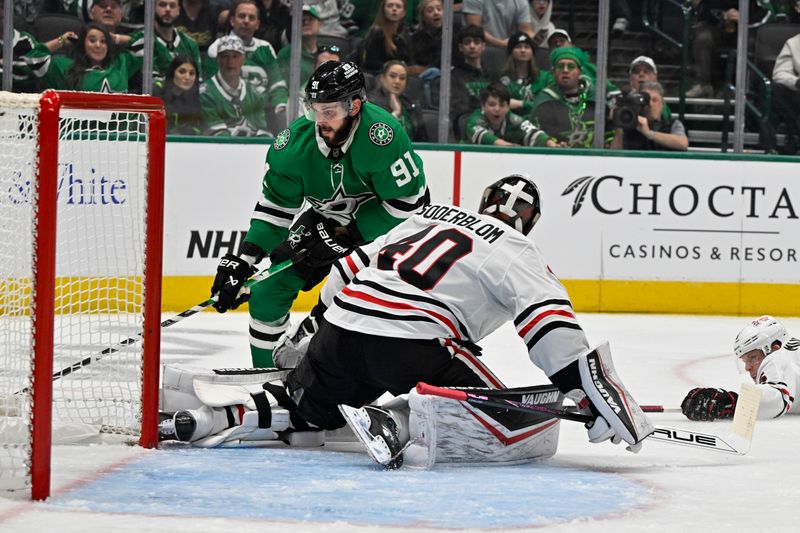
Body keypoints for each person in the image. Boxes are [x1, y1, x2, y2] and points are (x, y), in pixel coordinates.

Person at [163, 174, 653, 468]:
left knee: (312, 413)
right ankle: (398, 419)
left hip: (344, 328)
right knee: (521, 425)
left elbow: (345, 271)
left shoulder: (431, 215)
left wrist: (312, 332)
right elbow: (549, 326)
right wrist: (588, 391)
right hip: (415, 344)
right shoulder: (518, 248)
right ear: (532, 221)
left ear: (484, 201)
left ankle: (211, 416)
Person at [208, 60, 429, 367]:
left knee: (359, 309)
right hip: (330, 223)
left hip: (388, 232)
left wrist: (348, 235)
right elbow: (276, 208)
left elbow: (410, 205)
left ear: (354, 106)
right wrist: (244, 259)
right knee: (268, 291)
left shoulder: (382, 136)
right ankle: (268, 374)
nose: (320, 120)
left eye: (330, 111)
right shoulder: (292, 147)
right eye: (314, 109)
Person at [681, 315, 800, 421]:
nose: (748, 368)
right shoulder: (792, 354)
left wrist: (733, 403)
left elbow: (777, 400)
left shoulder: (778, 356)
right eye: (745, 361)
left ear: (774, 348)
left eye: (753, 358)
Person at [205, 0, 288, 126]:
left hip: (264, 114)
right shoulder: (217, 48)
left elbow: (277, 83)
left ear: (257, 24)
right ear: (232, 21)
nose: (246, 21)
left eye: (251, 17)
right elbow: (213, 89)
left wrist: (280, 105)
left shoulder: (265, 48)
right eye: (242, 16)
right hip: (229, 114)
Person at [529, 46, 613, 148]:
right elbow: (537, 136)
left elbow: (610, 137)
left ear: (580, 71)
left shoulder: (595, 100)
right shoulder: (544, 102)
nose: (565, 70)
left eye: (571, 66)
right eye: (560, 66)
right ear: (553, 71)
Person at [28, 21, 142, 92]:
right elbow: (33, 58)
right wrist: (61, 40)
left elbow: (148, 43)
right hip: (77, 130)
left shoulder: (120, 63)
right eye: (92, 40)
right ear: (82, 43)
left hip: (118, 131)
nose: (98, 45)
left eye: (103, 41)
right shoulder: (66, 67)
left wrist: (116, 38)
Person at [198, 34, 271, 135]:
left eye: (235, 56)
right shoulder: (206, 93)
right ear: (218, 59)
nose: (230, 62)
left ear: (243, 59)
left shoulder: (254, 94)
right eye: (225, 56)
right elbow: (215, 133)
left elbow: (263, 132)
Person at [128, 0, 203, 84]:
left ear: (178, 10)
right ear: (152, 9)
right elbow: (153, 83)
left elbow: (197, 81)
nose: (168, 9)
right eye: (162, 5)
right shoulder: (141, 40)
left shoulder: (190, 44)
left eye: (172, 6)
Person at [465, 81, 554, 146]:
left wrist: (552, 145)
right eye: (492, 105)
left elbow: (532, 132)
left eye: (502, 105)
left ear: (508, 107)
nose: (497, 109)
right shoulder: (475, 119)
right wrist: (508, 146)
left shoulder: (512, 119)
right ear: (483, 106)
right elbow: (483, 136)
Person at [610, 81, 689, 151]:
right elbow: (614, 155)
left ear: (663, 104)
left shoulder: (673, 124)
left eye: (655, 100)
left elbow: (683, 143)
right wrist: (620, 122)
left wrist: (649, 133)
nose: (650, 104)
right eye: (646, 100)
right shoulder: (629, 126)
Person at [450, 24, 493, 138]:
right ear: (460, 47)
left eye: (476, 42)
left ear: (483, 46)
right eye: (467, 42)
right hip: (468, 125)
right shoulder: (453, 76)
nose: (472, 46)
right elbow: (460, 108)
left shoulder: (492, 75)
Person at [368, 59, 426, 140]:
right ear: (382, 78)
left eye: (402, 78)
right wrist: (395, 114)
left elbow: (422, 138)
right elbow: (375, 137)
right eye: (392, 76)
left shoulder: (412, 105)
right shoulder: (371, 104)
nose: (397, 81)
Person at [499, 31, 549, 115]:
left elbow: (547, 105)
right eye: (518, 47)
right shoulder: (504, 80)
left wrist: (521, 104)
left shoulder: (545, 77)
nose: (523, 50)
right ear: (511, 52)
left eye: (527, 47)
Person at [360, 0, 413, 73]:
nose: (394, 9)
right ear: (383, 10)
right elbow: (370, 62)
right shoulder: (377, 32)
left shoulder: (405, 33)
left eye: (398, 6)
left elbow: (408, 60)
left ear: (403, 13)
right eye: (390, 6)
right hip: (379, 74)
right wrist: (393, 66)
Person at [155, 54, 203, 134]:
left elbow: (197, 130)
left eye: (192, 73)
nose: (187, 77)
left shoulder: (195, 99)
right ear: (172, 73)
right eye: (182, 72)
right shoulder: (156, 92)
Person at [276, 4, 321, 84]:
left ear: (319, 25)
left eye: (310, 19)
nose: (306, 22)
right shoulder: (286, 54)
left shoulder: (326, 52)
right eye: (301, 20)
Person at [771, 32, 800, 154]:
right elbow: (780, 74)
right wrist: (796, 82)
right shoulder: (794, 43)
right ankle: (772, 145)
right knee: (777, 90)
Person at [462, 0, 533, 49]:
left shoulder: (521, 1)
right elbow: (474, 30)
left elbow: (526, 30)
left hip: (511, 48)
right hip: (481, 47)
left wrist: (534, 38)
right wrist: (502, 44)